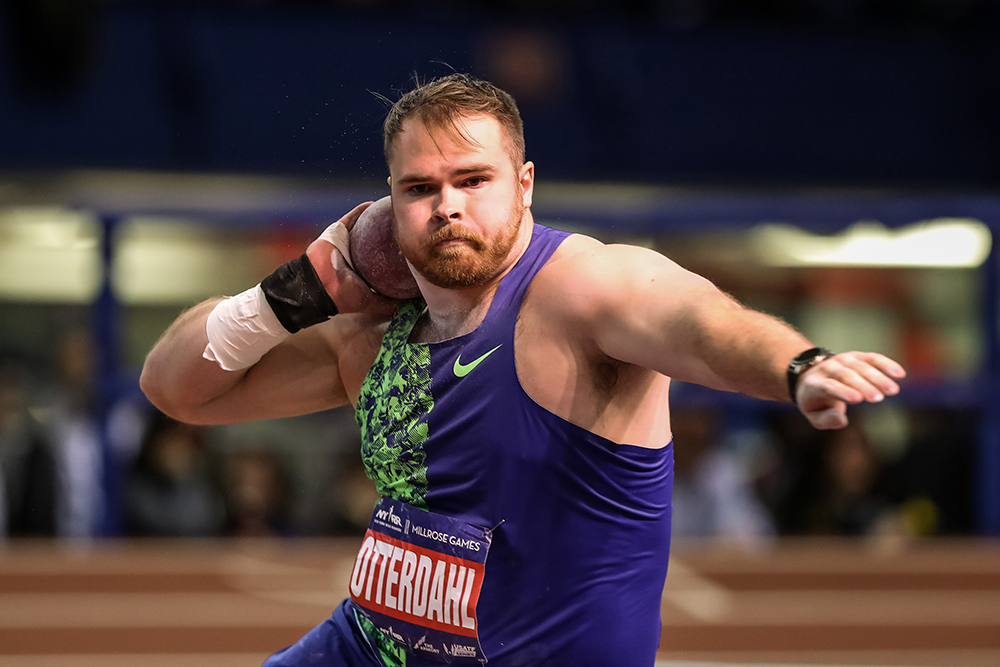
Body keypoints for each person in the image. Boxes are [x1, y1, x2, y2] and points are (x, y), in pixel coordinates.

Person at [140, 73, 905, 667]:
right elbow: (175, 388)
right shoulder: (368, 330)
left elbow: (698, 321)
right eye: (420, 188)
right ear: (389, 203)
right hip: (370, 644)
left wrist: (796, 364)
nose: (447, 206)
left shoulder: (579, 292)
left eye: (473, 180)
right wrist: (288, 295)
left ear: (525, 184)